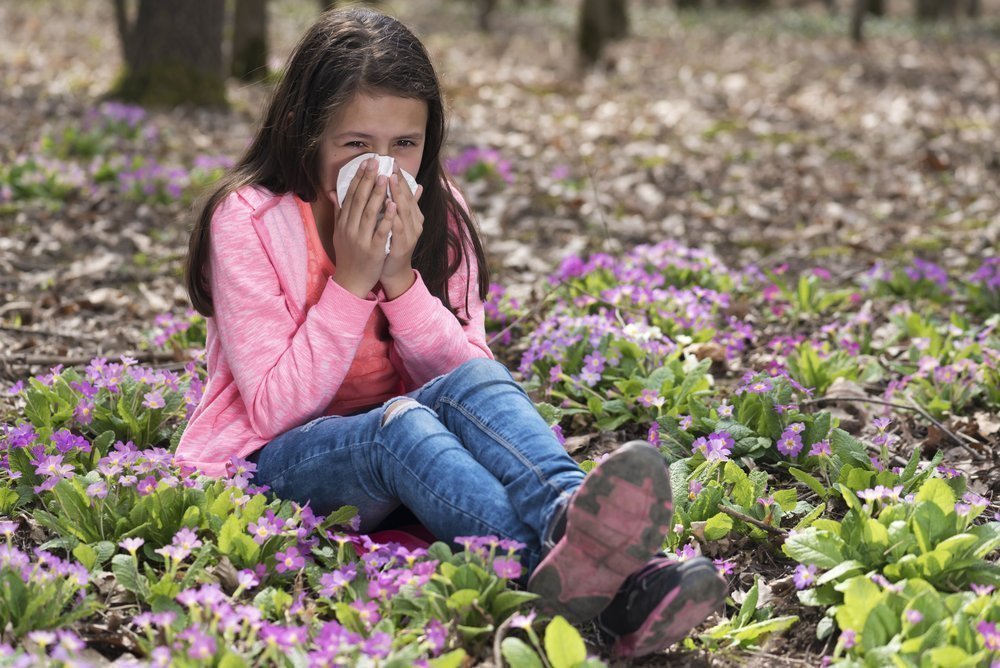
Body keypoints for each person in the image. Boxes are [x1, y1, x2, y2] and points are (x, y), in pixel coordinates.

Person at [176, 6, 726, 658]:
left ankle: (565, 520)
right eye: (356, 145)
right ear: (305, 133)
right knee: (400, 423)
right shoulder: (248, 220)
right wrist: (351, 284)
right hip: (277, 459)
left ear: (428, 142)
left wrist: (403, 281)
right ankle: (570, 582)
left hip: (409, 447)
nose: (382, 167)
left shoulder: (439, 209)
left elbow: (466, 372)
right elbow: (275, 406)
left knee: (474, 380)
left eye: (403, 145)